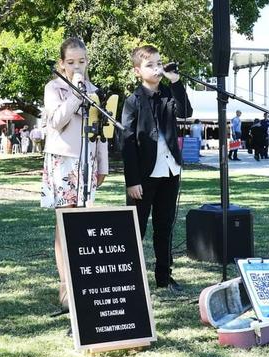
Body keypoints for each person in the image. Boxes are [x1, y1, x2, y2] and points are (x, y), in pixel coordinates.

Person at [41, 37, 109, 309]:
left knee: (82, 222)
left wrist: (102, 164)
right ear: (62, 63)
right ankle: (65, 287)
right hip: (63, 160)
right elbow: (56, 121)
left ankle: (82, 282)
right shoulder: (54, 88)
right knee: (64, 222)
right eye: (71, 62)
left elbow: (101, 130)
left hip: (87, 161)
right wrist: (74, 94)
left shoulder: (94, 90)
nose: (77, 66)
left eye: (81, 61)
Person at [121, 45, 193, 293]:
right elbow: (127, 143)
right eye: (150, 64)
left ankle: (164, 275)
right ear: (137, 71)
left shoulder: (168, 94)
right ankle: (129, 276)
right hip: (143, 175)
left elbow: (186, 112)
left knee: (165, 226)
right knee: (136, 228)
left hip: (170, 170)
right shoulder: (132, 101)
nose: (156, 68)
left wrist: (176, 83)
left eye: (158, 63)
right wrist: (132, 180)